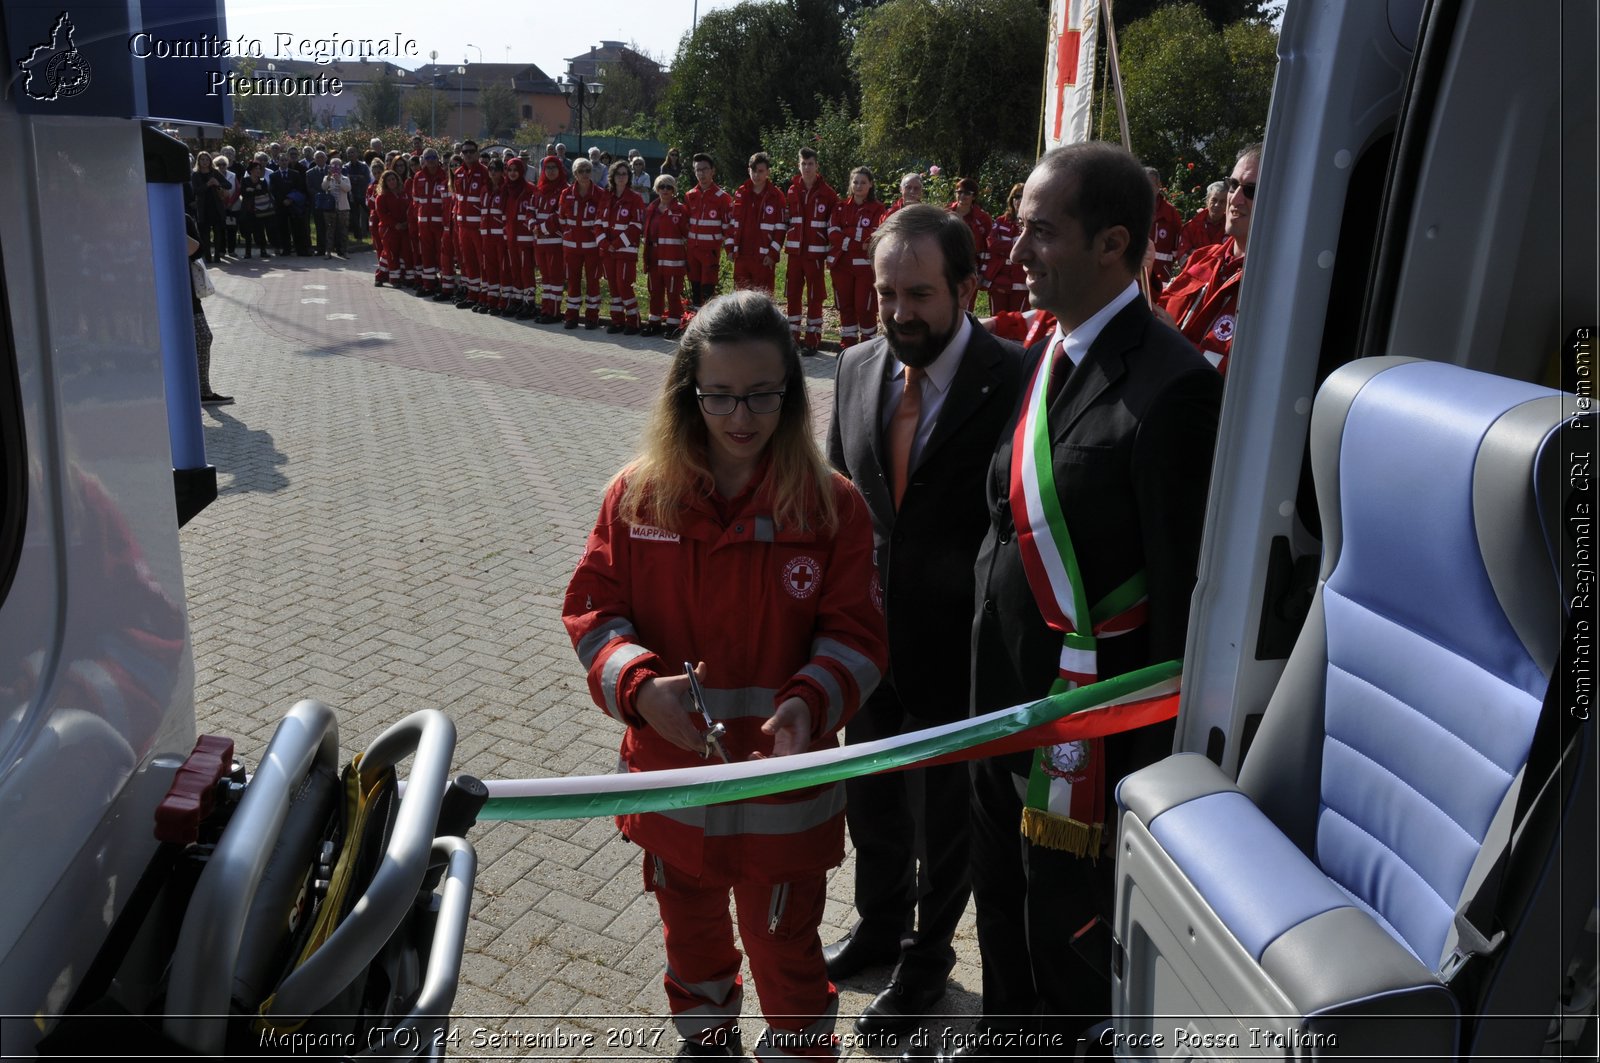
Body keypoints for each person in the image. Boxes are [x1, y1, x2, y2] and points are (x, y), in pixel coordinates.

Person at [944, 142, 1222, 1062]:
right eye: (1019, 225)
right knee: (1002, 901)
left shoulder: (1175, 388)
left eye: (1040, 231)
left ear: (1114, 244)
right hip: (1001, 710)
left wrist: (1145, 776)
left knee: (1066, 933)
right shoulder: (1046, 351)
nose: (1016, 250)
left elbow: (1181, 600)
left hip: (1090, 740)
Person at [563, 289, 887, 1061]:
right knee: (694, 952)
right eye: (718, 396)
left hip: (784, 801)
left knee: (790, 962)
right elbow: (592, 610)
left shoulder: (831, 506)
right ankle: (706, 1048)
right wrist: (639, 686)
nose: (741, 417)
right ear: (687, 392)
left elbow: (859, 636)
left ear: (791, 394)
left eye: (762, 395)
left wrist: (810, 703)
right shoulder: (638, 496)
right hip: (675, 794)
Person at [824, 205, 1024, 1037]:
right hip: (870, 645)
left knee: (947, 820)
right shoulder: (856, 367)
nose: (899, 312)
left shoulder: (1017, 379)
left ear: (968, 288)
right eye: (885, 294)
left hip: (962, 650)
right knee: (872, 801)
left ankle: (926, 959)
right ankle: (877, 922)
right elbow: (841, 497)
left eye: (919, 294)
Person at [1154, 142, 1260, 375]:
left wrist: (1174, 342)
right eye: (1233, 185)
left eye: (1251, 190)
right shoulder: (1203, 259)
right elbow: (1157, 312)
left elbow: (1233, 378)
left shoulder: (1273, 288)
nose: (1236, 199)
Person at [783, 147, 838, 354]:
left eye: (810, 164)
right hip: (795, 253)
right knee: (792, 294)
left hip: (815, 254)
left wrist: (830, 252)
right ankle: (792, 338)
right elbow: (787, 219)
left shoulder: (828, 193)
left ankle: (813, 339)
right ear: (799, 165)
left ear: (817, 166)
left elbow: (833, 225)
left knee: (815, 297)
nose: (807, 168)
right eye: (803, 164)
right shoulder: (791, 190)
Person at [827, 166, 886, 351]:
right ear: (850, 184)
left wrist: (848, 233)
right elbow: (832, 233)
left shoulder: (878, 209)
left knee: (864, 307)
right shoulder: (840, 206)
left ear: (870, 185)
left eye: (863, 182)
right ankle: (848, 346)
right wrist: (857, 241)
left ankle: (868, 347)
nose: (858, 186)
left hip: (865, 268)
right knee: (845, 306)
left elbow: (874, 235)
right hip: (841, 265)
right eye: (855, 182)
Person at [186, 213, 231, 405]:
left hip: (187, 292)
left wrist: (171, 224)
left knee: (203, 336)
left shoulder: (183, 219)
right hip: (156, 294)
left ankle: (203, 391)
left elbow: (197, 251)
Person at [558, 157, 607, 330]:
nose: (585, 174)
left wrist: (596, 234)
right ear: (575, 174)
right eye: (581, 171)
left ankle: (592, 317)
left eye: (588, 170)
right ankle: (571, 315)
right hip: (572, 247)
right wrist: (568, 232)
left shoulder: (600, 193)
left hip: (592, 246)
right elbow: (561, 217)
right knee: (573, 280)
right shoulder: (566, 194)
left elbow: (603, 219)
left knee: (593, 281)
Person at [728, 152, 786, 293]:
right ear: (749, 170)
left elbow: (780, 228)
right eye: (753, 171)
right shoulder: (741, 193)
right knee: (741, 300)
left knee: (763, 301)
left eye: (760, 171)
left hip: (763, 258)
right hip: (741, 256)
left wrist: (772, 254)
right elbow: (732, 222)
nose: (756, 175)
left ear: (768, 172)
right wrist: (729, 248)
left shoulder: (776, 196)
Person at [684, 153, 734, 313]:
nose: (701, 173)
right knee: (695, 288)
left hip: (710, 252)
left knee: (708, 290)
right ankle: (694, 323)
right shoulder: (690, 195)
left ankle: (708, 325)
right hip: (692, 251)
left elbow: (729, 225)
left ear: (713, 171)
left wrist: (729, 248)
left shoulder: (723, 198)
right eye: (698, 170)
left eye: (705, 169)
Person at [642, 173, 690, 337]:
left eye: (669, 187)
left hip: (673, 259)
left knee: (673, 293)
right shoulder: (651, 209)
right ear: (656, 189)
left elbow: (687, 234)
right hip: (654, 258)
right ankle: (654, 323)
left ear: (674, 190)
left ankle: (673, 325)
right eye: (661, 186)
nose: (665, 190)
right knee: (655, 292)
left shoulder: (680, 210)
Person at [601, 159, 646, 334]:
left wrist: (616, 244)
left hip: (625, 250)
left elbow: (636, 226)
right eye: (618, 174)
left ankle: (633, 321)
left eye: (625, 174)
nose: (622, 177)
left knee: (623, 285)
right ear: (612, 176)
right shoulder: (606, 197)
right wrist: (605, 244)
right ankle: (617, 320)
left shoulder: (635, 198)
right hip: (608, 250)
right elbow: (598, 222)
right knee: (613, 285)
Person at [452, 141, 492, 309]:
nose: (468, 154)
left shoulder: (484, 173)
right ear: (461, 154)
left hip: (478, 228)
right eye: (465, 152)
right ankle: (472, 294)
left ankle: (485, 296)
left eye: (471, 151)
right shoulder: (459, 173)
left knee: (483, 262)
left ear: (477, 153)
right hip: (463, 226)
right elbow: (458, 200)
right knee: (468, 262)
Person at [532, 155, 569, 323]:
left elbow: (559, 216)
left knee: (555, 278)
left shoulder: (564, 190)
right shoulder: (539, 190)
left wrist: (541, 229)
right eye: (548, 168)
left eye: (554, 167)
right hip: (540, 241)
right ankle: (546, 309)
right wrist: (533, 226)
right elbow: (529, 210)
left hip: (555, 241)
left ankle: (554, 312)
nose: (551, 171)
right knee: (545, 278)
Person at [946, 178, 992, 311]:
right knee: (945, 302)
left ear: (974, 196)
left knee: (965, 306)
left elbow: (987, 248)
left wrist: (983, 273)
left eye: (967, 193)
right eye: (959, 192)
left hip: (969, 267)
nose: (962, 196)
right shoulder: (945, 213)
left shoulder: (983, 219)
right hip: (947, 266)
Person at [413, 150, 453, 300]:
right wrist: (420, 217)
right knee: (427, 256)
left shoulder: (444, 176)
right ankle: (428, 284)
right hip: (424, 224)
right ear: (423, 160)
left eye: (434, 157)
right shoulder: (419, 176)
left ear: (438, 159)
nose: (431, 160)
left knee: (443, 257)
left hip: (440, 225)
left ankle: (446, 286)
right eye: (427, 158)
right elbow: (416, 200)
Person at [983, 184, 1028, 315]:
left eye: (1023, 197)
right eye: (1016, 196)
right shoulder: (1001, 221)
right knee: (997, 322)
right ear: (1011, 199)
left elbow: (1030, 249)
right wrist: (1015, 246)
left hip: (1022, 282)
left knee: (1017, 324)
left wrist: (1004, 247)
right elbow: (991, 243)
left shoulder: (1032, 223)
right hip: (999, 281)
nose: (1019, 200)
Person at [505, 156, 538, 318]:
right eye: (510, 170)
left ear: (522, 171)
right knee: (515, 270)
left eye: (516, 170)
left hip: (525, 239)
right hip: (511, 238)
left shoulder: (530, 189)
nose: (512, 173)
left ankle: (529, 302)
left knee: (527, 271)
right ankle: (517, 300)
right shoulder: (506, 189)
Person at [477, 158, 512, 314]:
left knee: (503, 269)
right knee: (489, 268)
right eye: (490, 169)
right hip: (486, 235)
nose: (492, 172)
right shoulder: (485, 188)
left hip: (501, 237)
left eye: (496, 169)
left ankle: (504, 301)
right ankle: (492, 299)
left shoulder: (506, 189)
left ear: (502, 171)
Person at [1145, 166, 1183, 294]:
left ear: (1159, 185)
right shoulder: (1133, 210)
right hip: (1138, 273)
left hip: (1161, 276)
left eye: (1150, 184)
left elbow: (1180, 243)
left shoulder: (1171, 213)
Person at [373, 169, 412, 288]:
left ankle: (383, 276)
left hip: (403, 228)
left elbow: (409, 208)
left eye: (393, 179)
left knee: (400, 253)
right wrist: (395, 224)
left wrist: (407, 222)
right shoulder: (381, 197)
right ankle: (394, 279)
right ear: (384, 183)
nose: (392, 182)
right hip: (389, 230)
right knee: (391, 254)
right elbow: (382, 215)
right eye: (389, 180)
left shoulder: (403, 193)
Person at [1175, 180, 1226, 265]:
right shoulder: (1191, 227)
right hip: (1193, 276)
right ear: (1207, 201)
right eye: (1214, 200)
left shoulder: (1232, 229)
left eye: (1222, 202)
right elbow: (1182, 259)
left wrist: (1195, 252)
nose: (1217, 205)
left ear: (1228, 204)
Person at [191, 152, 227, 264]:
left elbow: (228, 185)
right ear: (198, 161)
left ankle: (217, 256)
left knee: (218, 233)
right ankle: (208, 256)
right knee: (205, 234)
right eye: (202, 159)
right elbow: (195, 191)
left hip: (216, 207)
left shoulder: (214, 172)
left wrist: (217, 183)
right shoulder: (195, 174)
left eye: (207, 159)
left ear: (210, 161)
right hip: (203, 208)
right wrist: (207, 184)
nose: (205, 162)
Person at [237, 160, 274, 260]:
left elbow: (264, 192)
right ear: (251, 170)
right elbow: (243, 193)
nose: (258, 171)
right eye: (255, 169)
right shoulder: (245, 180)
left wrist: (253, 190)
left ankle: (263, 251)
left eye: (259, 169)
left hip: (260, 209)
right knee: (248, 232)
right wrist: (254, 189)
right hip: (248, 209)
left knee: (261, 231)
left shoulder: (262, 181)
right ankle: (248, 252)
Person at [322, 158, 352, 257]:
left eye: (337, 166)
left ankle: (345, 251)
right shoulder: (327, 177)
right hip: (330, 208)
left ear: (341, 167)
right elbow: (323, 187)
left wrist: (339, 180)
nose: (335, 168)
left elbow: (347, 189)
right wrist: (329, 178)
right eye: (333, 166)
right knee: (330, 230)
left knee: (343, 230)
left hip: (343, 208)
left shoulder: (345, 178)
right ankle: (328, 251)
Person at [214, 155, 241, 258]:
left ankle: (231, 250)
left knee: (232, 229)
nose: (221, 166)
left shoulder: (233, 175)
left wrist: (230, 203)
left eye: (223, 164)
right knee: (220, 229)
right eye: (218, 164)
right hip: (219, 207)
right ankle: (221, 250)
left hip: (232, 207)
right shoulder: (214, 176)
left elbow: (238, 190)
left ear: (227, 165)